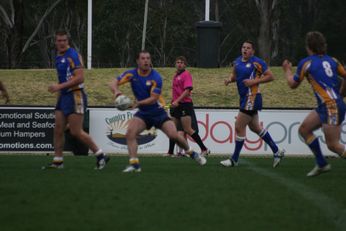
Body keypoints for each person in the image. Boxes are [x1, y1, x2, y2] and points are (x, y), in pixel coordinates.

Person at [110, 50, 206, 172]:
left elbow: (153, 98)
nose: (146, 61)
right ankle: (134, 164)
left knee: (174, 135)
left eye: (148, 58)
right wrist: (117, 92)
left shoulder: (156, 77)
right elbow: (113, 82)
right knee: (130, 133)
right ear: (137, 61)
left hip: (157, 112)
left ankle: (192, 153)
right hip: (143, 114)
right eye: (143, 58)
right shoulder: (131, 74)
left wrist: (137, 103)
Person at [282, 31, 346, 177]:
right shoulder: (333, 61)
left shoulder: (307, 63)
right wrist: (342, 93)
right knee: (304, 129)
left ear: (308, 46)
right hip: (328, 105)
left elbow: (292, 84)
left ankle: (322, 163)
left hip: (331, 106)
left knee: (333, 145)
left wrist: (287, 71)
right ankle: (321, 163)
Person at [43, 30, 109, 170]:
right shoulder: (58, 56)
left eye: (64, 40)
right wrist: (59, 96)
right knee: (58, 129)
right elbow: (64, 78)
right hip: (64, 96)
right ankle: (58, 160)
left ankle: (100, 154)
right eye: (59, 40)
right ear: (55, 42)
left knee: (75, 131)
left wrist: (59, 86)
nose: (61, 43)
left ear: (68, 42)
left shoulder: (72, 55)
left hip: (76, 95)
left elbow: (80, 78)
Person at [220, 40, 285, 168]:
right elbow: (235, 75)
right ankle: (277, 151)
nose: (245, 50)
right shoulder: (237, 61)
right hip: (244, 98)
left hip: (253, 97)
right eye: (243, 47)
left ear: (253, 51)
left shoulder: (257, 62)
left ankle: (234, 159)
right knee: (255, 127)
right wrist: (229, 80)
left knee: (239, 126)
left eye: (248, 48)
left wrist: (254, 81)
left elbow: (271, 76)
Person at [167, 56, 210, 156]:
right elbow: (175, 92)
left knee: (187, 129)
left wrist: (177, 101)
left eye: (181, 62)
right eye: (177, 62)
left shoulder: (186, 74)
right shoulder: (175, 75)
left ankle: (204, 149)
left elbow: (187, 91)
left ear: (185, 64)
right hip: (176, 105)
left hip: (185, 104)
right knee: (172, 129)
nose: (179, 64)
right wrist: (171, 104)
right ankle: (170, 152)